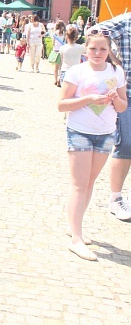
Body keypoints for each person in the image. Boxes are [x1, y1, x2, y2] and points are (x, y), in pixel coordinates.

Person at [57, 29, 127, 261]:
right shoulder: (77, 71)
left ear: (109, 51)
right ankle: (76, 239)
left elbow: (123, 107)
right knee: (79, 184)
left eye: (103, 49)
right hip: (80, 131)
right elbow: (62, 105)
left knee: (89, 182)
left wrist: (114, 99)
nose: (98, 53)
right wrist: (89, 99)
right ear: (85, 49)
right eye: (93, 48)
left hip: (106, 133)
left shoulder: (116, 71)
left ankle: (75, 226)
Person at [96, 14, 131, 220]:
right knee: (125, 144)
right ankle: (116, 199)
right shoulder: (126, 21)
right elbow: (94, 31)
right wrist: (116, 62)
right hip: (128, 92)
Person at [52, 21, 66, 87]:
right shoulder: (65, 33)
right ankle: (59, 80)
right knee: (61, 66)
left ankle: (55, 80)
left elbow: (53, 43)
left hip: (56, 50)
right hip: (62, 50)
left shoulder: (55, 33)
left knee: (56, 67)